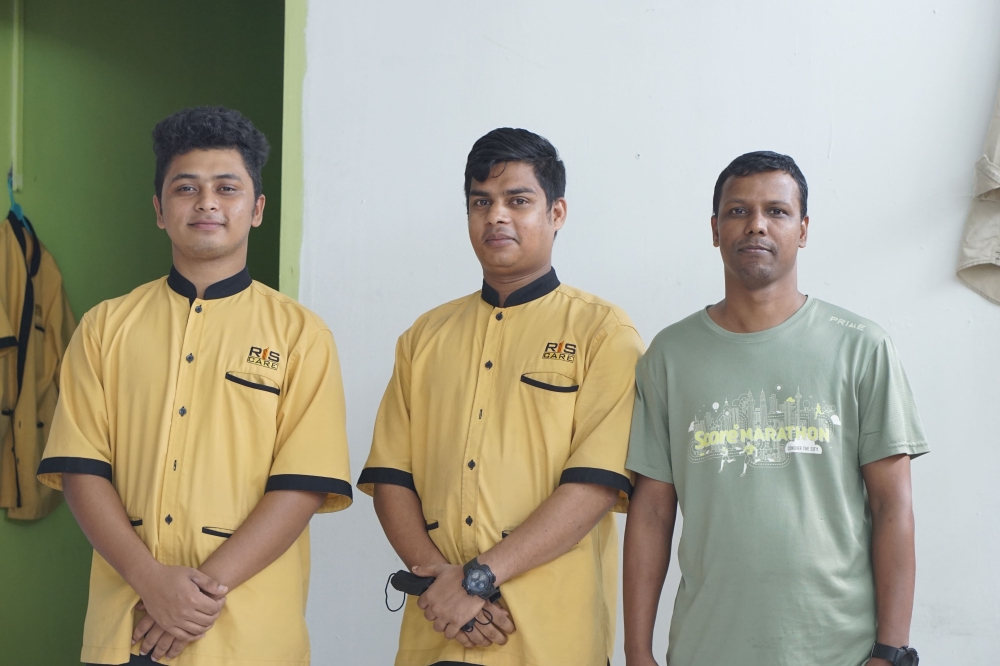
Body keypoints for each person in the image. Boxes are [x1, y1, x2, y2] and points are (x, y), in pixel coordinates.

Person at [37, 106, 353, 665]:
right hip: (126, 628)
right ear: (160, 210)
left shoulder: (303, 336)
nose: (206, 202)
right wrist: (150, 581)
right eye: (186, 188)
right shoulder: (106, 327)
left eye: (226, 187)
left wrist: (192, 598)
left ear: (256, 209)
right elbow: (81, 470)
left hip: (250, 639)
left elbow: (301, 486)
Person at [623, 151, 928, 666]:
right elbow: (651, 511)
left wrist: (891, 651)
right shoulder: (668, 356)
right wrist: (637, 652)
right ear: (715, 229)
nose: (756, 225)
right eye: (738, 211)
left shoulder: (862, 347)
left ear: (803, 229)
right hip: (706, 647)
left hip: (840, 650)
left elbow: (892, 507)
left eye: (777, 212)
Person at [358, 127, 643, 666]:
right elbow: (392, 479)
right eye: (480, 202)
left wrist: (477, 579)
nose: (496, 217)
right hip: (439, 631)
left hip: (552, 636)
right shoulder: (424, 337)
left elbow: (595, 486)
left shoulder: (604, 334)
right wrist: (447, 586)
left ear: (556, 213)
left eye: (518, 201)